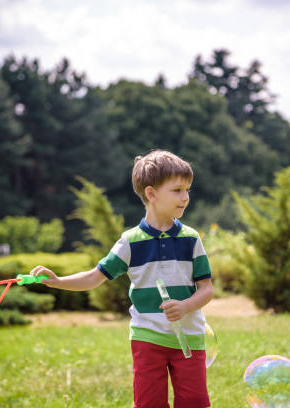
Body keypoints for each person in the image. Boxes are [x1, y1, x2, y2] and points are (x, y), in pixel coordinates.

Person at [30, 149, 213, 408]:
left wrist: (185, 306)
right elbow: (95, 277)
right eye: (177, 190)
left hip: (190, 337)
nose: (185, 197)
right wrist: (57, 281)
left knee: (194, 403)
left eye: (188, 190)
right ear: (151, 193)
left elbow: (206, 290)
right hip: (147, 338)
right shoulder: (130, 242)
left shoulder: (191, 239)